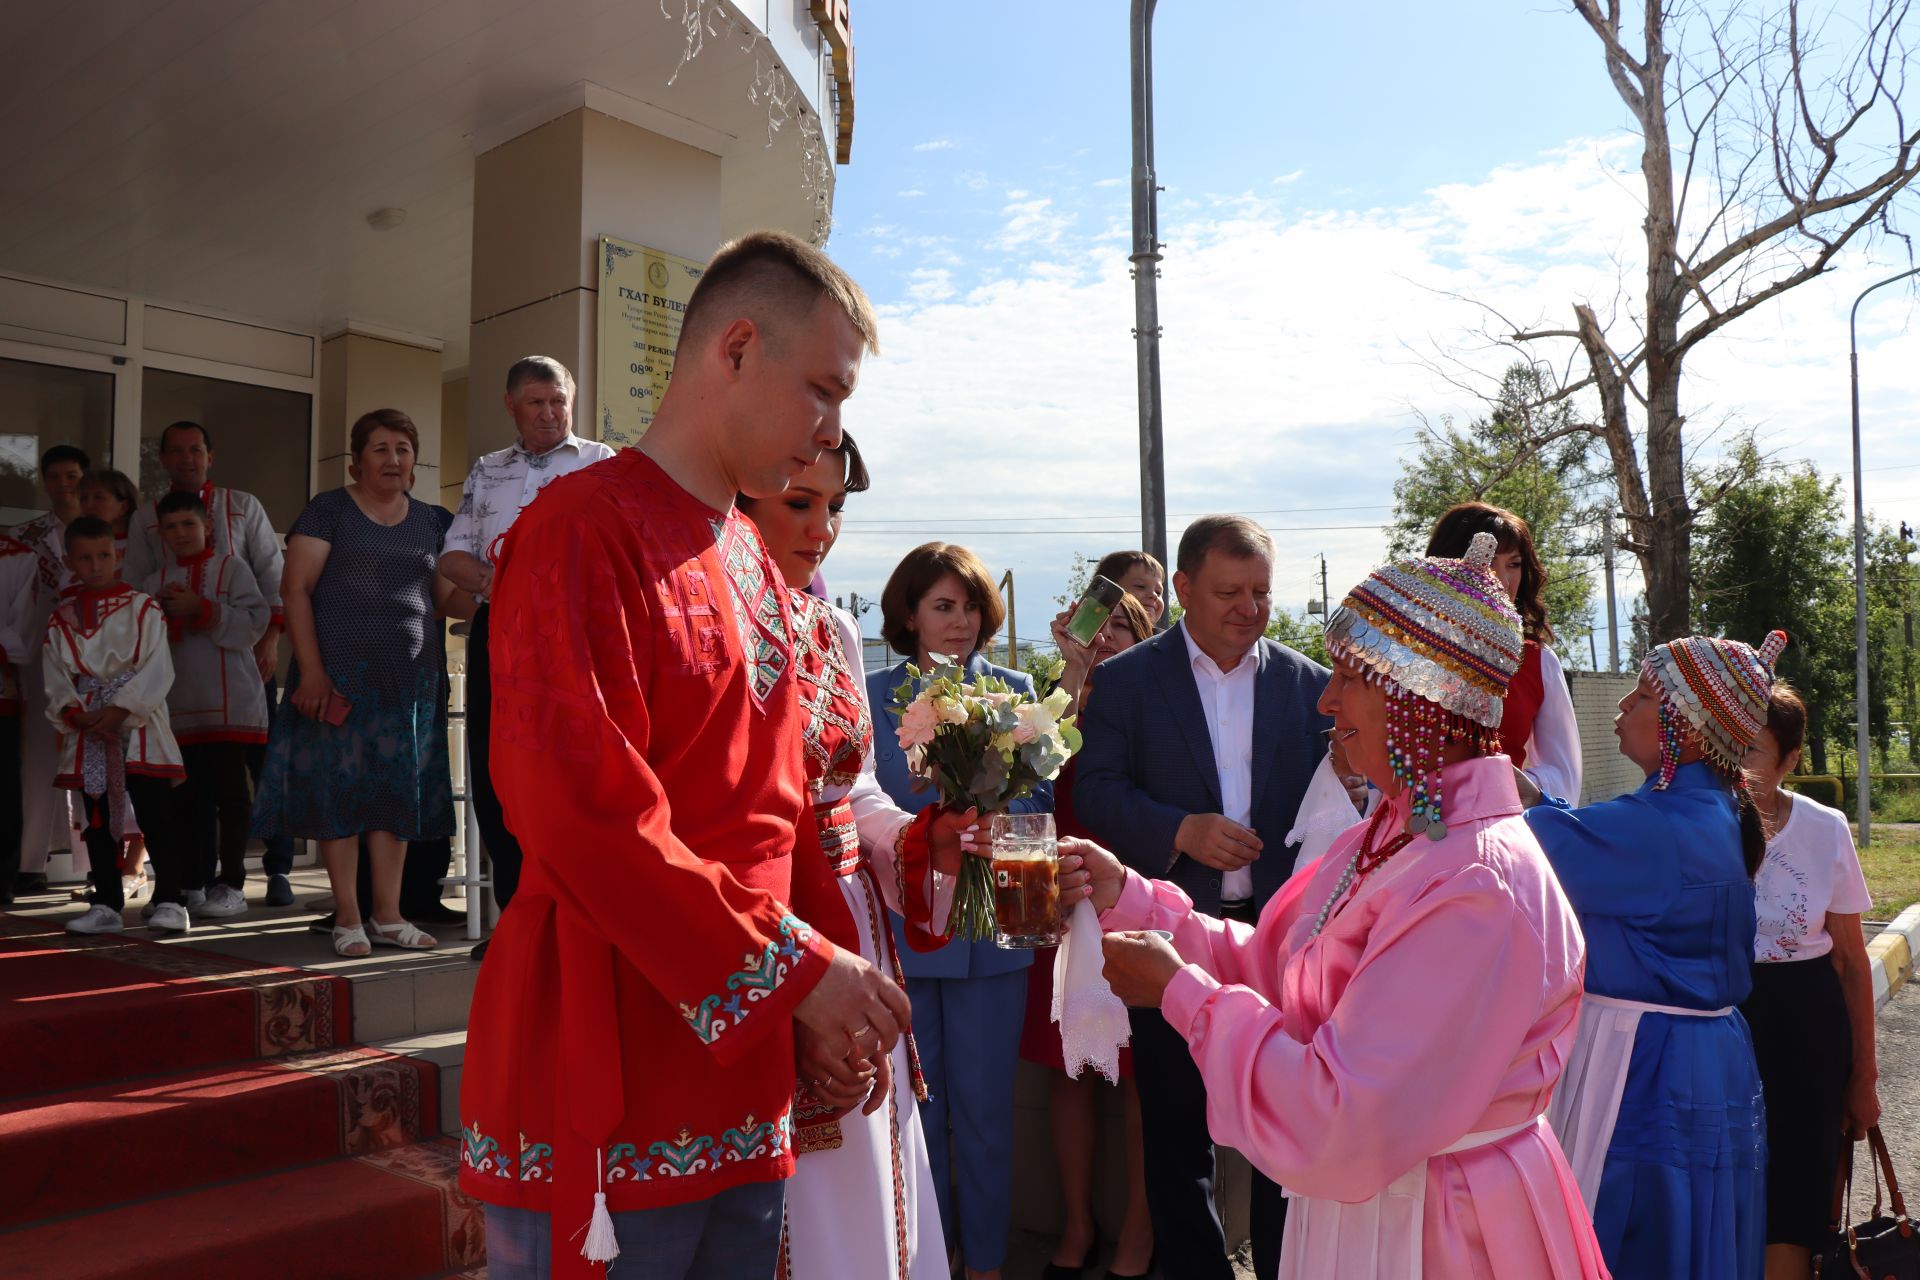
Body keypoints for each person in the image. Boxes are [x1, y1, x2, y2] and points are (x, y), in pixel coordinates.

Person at [459, 231, 912, 1280]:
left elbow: (785, 804)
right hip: (608, 1058)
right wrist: (796, 971)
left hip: (741, 1074)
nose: (830, 432)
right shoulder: (580, 527)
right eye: (824, 391)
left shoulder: (752, 554)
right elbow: (577, 807)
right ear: (738, 348)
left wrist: (821, 1003)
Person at [1083, 534, 1607, 1279]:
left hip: (1440, 1229)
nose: (1325, 701)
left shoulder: (1476, 885)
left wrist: (1178, 993)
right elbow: (1274, 963)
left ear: (1418, 698)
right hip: (1375, 1208)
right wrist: (1132, 897)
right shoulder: (1393, 834)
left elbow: (1342, 1113)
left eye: (1349, 679)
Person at [738, 432, 977, 1280]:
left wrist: (918, 838)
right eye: (800, 503)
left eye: (834, 508)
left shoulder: (832, 627)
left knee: (871, 1171)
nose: (822, 529)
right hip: (770, 924)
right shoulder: (717, 618)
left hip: (854, 924)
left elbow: (858, 791)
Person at [1071, 515, 1332, 1280]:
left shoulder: (1310, 686)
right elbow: (1096, 793)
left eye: (1261, 593)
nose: (1249, 609)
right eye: (1229, 592)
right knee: (1177, 1136)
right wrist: (1179, 830)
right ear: (1182, 588)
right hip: (1168, 933)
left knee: (1287, 1127)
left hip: (1281, 939)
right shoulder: (1123, 682)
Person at [1522, 631, 1780, 1280]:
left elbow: (1532, 841)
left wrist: (1483, 773)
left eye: (1639, 696)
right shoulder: (1712, 811)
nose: (1620, 709)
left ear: (1686, 730)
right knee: (1698, 1232)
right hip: (1707, 1057)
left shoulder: (1659, 828)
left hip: (1646, 1064)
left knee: (1636, 1233)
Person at [867, 540, 1053, 1280]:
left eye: (971, 605)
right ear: (908, 615)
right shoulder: (874, 695)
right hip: (904, 930)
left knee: (985, 1119)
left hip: (996, 931)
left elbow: (1040, 807)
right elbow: (862, 808)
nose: (961, 620)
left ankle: (985, 1264)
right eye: (943, 605)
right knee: (917, 1117)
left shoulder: (1014, 691)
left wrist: (994, 800)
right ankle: (925, 1261)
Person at [249, 409, 454, 958]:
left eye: (403, 450)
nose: (393, 459)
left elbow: (441, 600)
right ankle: (348, 918)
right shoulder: (329, 511)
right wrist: (311, 671)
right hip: (336, 678)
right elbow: (295, 590)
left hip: (408, 683)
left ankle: (389, 916)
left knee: (395, 799)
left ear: (414, 462)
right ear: (357, 461)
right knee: (338, 796)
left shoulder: (434, 519)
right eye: (381, 449)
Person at [437, 355, 614, 949]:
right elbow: (453, 556)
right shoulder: (488, 470)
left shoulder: (602, 464)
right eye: (536, 402)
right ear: (511, 406)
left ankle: (578, 919)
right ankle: (518, 920)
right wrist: (503, 584)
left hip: (577, 636)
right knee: (499, 772)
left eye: (558, 401)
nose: (549, 413)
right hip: (502, 633)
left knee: (573, 769)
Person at [1023, 588, 1160, 1280]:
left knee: (1142, 1078)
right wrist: (1071, 678)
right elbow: (1031, 776)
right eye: (1093, 626)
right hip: (1062, 894)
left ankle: (1138, 1231)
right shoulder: (1052, 699)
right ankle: (1077, 1224)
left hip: (1138, 894)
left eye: (1121, 628)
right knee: (1069, 1069)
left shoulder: (1161, 702)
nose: (1104, 638)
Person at [123, 423, 294, 904]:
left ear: (210, 456)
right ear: (162, 459)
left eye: (194, 449)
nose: (185, 458)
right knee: (189, 782)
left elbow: (270, 575)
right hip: (177, 676)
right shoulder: (145, 519)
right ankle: (192, 879)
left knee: (257, 773)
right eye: (174, 450)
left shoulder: (244, 505)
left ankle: (275, 870)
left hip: (245, 658)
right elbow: (135, 584)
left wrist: (271, 639)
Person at [1742, 682, 1879, 1280]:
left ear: (1790, 759)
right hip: (1722, 1018)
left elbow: (1850, 960)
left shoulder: (1825, 828)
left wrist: (1863, 1077)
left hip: (1806, 1026)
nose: (1735, 765)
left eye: (1751, 750)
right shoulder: (1700, 823)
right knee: (1724, 1186)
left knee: (1798, 1194)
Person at [49, 517, 188, 935]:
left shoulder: (142, 607)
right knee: (96, 819)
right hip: (88, 727)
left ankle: (171, 900)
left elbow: (157, 666)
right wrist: (75, 713)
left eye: (104, 555)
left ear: (118, 556)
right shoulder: (62, 618)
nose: (96, 565)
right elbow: (55, 674)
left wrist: (120, 711)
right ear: (71, 561)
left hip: (140, 727)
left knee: (155, 814)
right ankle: (106, 901)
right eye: (85, 557)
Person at [143, 490, 270, 921]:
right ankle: (191, 883)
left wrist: (204, 609)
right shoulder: (152, 581)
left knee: (232, 795)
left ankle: (232, 883)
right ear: (160, 533)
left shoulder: (232, 569)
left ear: (208, 528)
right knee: (186, 800)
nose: (180, 533)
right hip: (177, 707)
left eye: (188, 524)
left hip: (229, 701)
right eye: (171, 526)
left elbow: (255, 621)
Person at [1426, 503, 1580, 802]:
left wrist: (1493, 783)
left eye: (1514, 564)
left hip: (1502, 831)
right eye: (1488, 562)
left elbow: (1564, 777)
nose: (1502, 582)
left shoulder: (1538, 661)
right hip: (1408, 832)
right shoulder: (1401, 651)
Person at [13, 443, 89, 896]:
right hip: (40, 655)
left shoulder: (102, 533)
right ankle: (29, 861)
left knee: (95, 760)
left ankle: (100, 860)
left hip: (97, 661)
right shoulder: (28, 535)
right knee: (39, 759)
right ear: (44, 481)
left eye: (73, 476)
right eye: (56, 476)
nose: (64, 484)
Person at [79, 467, 150, 901]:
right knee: (96, 780)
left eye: (100, 496)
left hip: (133, 681)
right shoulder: (80, 550)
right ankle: (105, 870)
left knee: (138, 773)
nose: (90, 503)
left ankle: (136, 864)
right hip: (90, 686)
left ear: (123, 503)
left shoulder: (138, 550)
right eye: (84, 497)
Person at [0, 531, 39, 905]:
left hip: (2, 687)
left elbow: (25, 629)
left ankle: (1, 880)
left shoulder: (17, 556)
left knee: (4, 786)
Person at [1090, 550, 1167, 629]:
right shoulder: (1091, 634)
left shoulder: (1166, 640)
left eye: (1158, 592)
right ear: (1109, 592)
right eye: (1140, 586)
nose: (1154, 595)